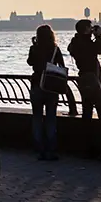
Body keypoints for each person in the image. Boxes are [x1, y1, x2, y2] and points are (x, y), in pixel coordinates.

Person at [67, 19, 101, 159]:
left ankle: (87, 149)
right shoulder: (89, 44)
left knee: (86, 115)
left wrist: (92, 37)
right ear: (86, 29)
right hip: (94, 82)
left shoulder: (75, 43)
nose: (93, 29)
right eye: (91, 27)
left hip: (83, 81)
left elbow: (72, 48)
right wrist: (98, 37)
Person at [27, 25, 64, 161]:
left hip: (37, 84)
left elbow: (30, 62)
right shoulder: (55, 49)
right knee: (50, 118)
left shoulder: (34, 48)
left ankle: (39, 150)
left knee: (37, 117)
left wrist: (34, 45)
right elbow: (61, 64)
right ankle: (51, 150)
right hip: (51, 86)